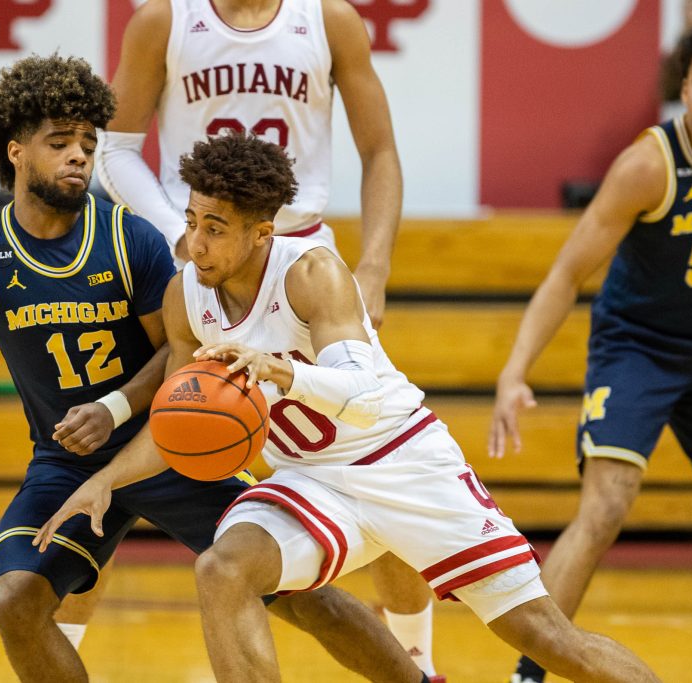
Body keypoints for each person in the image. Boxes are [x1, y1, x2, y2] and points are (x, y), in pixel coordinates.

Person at [0, 53, 433, 683]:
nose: (79, 156)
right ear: (16, 151)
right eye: (60, 142)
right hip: (68, 462)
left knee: (305, 599)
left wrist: (115, 408)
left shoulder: (130, 237)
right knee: (13, 600)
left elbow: (178, 354)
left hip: (174, 442)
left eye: (88, 143)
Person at [37, 132, 662, 683]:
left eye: (215, 229)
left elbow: (364, 397)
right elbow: (179, 420)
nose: (194, 243)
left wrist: (283, 371)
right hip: (312, 480)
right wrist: (106, 480)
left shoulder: (312, 275)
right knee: (223, 569)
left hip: (401, 462)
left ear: (262, 233)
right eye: (193, 221)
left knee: (547, 638)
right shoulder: (186, 297)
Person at [97, 0, 441, 674]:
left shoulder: (329, 19)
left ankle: (420, 660)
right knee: (153, 450)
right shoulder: (163, 19)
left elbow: (379, 151)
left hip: (302, 258)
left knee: (378, 457)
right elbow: (115, 148)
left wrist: (374, 265)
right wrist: (179, 229)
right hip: (206, 261)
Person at [490, 19, 692, 683]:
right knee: (606, 506)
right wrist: (514, 372)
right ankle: (529, 671)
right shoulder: (649, 165)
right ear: (683, 88)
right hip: (640, 347)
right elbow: (567, 274)